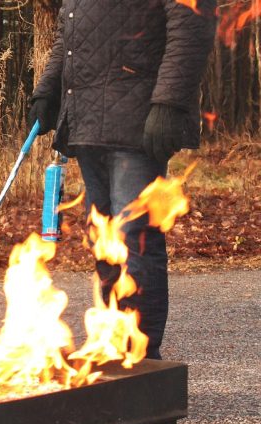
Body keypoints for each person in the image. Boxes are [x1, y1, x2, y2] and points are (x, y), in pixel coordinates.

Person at [28, 1, 216, 360]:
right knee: (103, 238)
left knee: (135, 239)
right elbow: (67, 36)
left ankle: (143, 359)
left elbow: (190, 25)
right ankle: (113, 345)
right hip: (85, 122)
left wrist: (169, 104)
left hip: (138, 123)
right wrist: (48, 90)